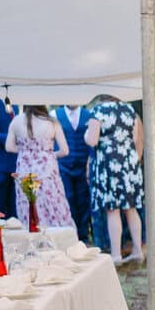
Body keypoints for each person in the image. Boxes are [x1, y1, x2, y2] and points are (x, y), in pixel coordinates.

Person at [84, 94, 145, 263]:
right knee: (131, 209)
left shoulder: (98, 111)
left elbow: (92, 140)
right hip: (129, 163)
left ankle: (116, 255)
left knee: (113, 210)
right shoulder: (129, 110)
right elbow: (134, 139)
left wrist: (87, 134)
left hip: (109, 164)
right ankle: (138, 251)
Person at [6, 105, 73, 229]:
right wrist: (47, 153)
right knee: (54, 207)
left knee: (28, 208)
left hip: (25, 173)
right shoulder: (52, 122)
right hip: (47, 172)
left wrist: (26, 152)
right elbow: (65, 151)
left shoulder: (16, 121)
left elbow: (9, 147)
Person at [55, 100, 95, 242]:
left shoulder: (89, 114)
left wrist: (90, 165)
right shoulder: (55, 115)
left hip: (83, 167)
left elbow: (92, 143)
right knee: (68, 201)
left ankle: (83, 237)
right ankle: (70, 237)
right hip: (63, 167)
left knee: (84, 202)